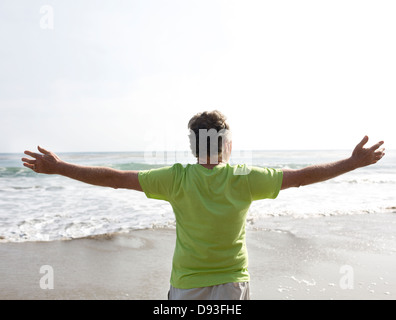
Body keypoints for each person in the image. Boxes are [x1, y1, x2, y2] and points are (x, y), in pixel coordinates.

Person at [22, 110, 385, 300]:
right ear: (226, 145)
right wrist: (351, 163)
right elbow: (302, 176)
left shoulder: (175, 178)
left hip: (186, 285)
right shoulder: (246, 178)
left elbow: (116, 178)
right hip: (231, 283)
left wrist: (60, 168)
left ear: (194, 147)